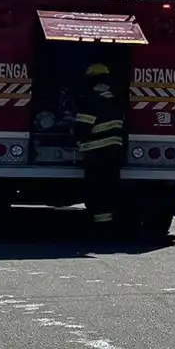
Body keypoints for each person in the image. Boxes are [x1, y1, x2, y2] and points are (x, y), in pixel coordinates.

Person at [73, 62, 125, 226]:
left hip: (95, 152)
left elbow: (83, 127)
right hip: (114, 150)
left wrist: (76, 138)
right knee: (109, 186)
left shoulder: (92, 100)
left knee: (96, 188)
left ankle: (100, 223)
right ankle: (108, 222)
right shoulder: (115, 99)